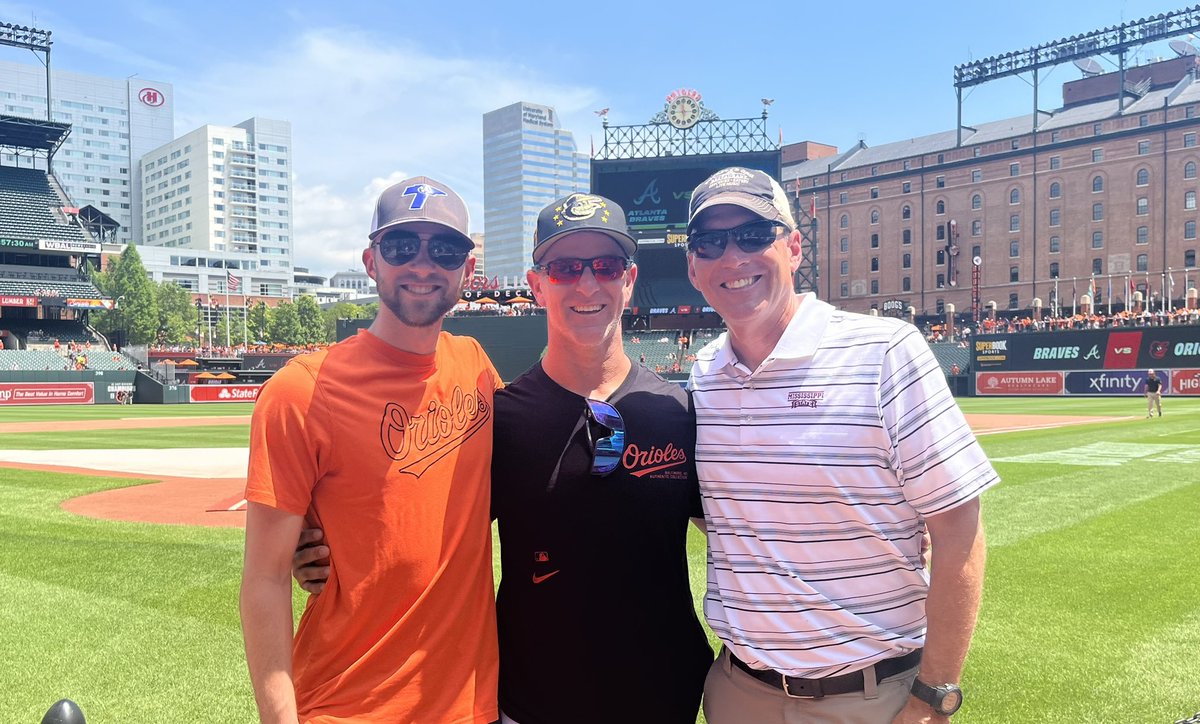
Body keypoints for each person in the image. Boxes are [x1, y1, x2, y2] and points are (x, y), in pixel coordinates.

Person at [294, 192, 712, 724]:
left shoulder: (677, 411)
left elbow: (739, 533)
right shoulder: (498, 418)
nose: (587, 283)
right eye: (564, 268)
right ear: (537, 285)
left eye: (605, 266)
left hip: (663, 698)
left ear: (628, 281)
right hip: (527, 703)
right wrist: (310, 543)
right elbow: (411, 514)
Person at [683, 167, 999, 724]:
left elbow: (960, 529)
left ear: (794, 247)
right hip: (738, 691)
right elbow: (731, 507)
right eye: (710, 242)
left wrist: (935, 696)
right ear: (693, 266)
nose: (732, 256)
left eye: (754, 234)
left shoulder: (884, 350)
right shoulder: (706, 372)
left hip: (867, 696)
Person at [240, 176, 501, 723]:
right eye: (402, 246)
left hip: (469, 706)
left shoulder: (476, 367)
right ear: (371, 260)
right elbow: (263, 578)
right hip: (345, 705)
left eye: (445, 249)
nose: (423, 265)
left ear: (468, 270)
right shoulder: (300, 391)